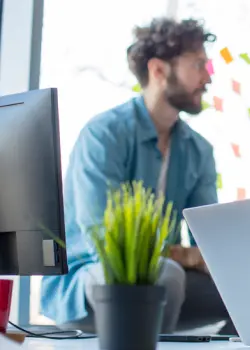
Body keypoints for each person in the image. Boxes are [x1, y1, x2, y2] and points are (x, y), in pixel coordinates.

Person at [41, 18, 235, 335]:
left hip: (166, 283)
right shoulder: (104, 134)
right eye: (199, 65)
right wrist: (186, 255)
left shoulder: (199, 150)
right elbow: (106, 241)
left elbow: (209, 246)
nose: (207, 78)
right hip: (91, 279)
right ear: (158, 70)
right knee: (166, 275)